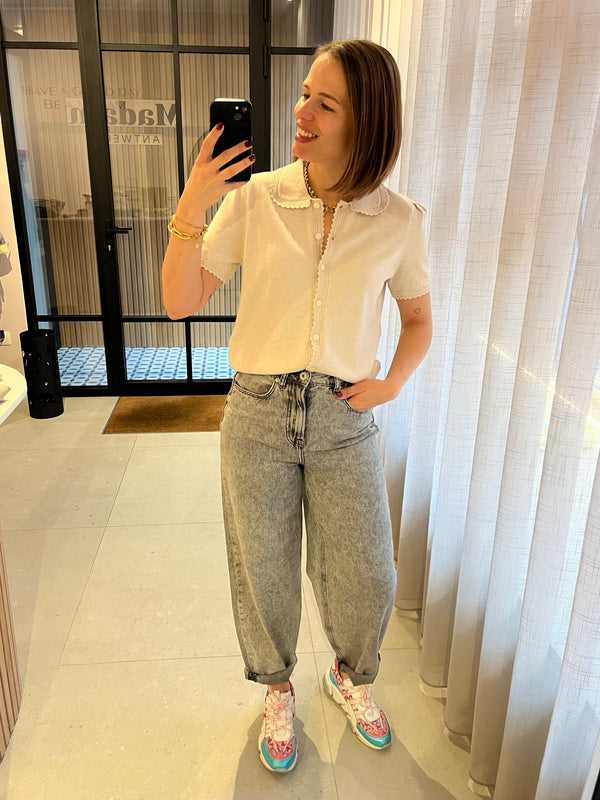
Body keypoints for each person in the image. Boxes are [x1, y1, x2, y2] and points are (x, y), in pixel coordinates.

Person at [162, 38, 432, 774]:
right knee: (264, 570)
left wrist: (392, 383)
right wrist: (194, 202)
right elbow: (179, 300)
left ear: (365, 123)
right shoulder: (255, 199)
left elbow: (417, 319)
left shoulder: (399, 220)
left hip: (344, 417)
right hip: (256, 412)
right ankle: (276, 688)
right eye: (306, 93)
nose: (301, 111)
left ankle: (349, 675)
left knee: (368, 574)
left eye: (325, 103)